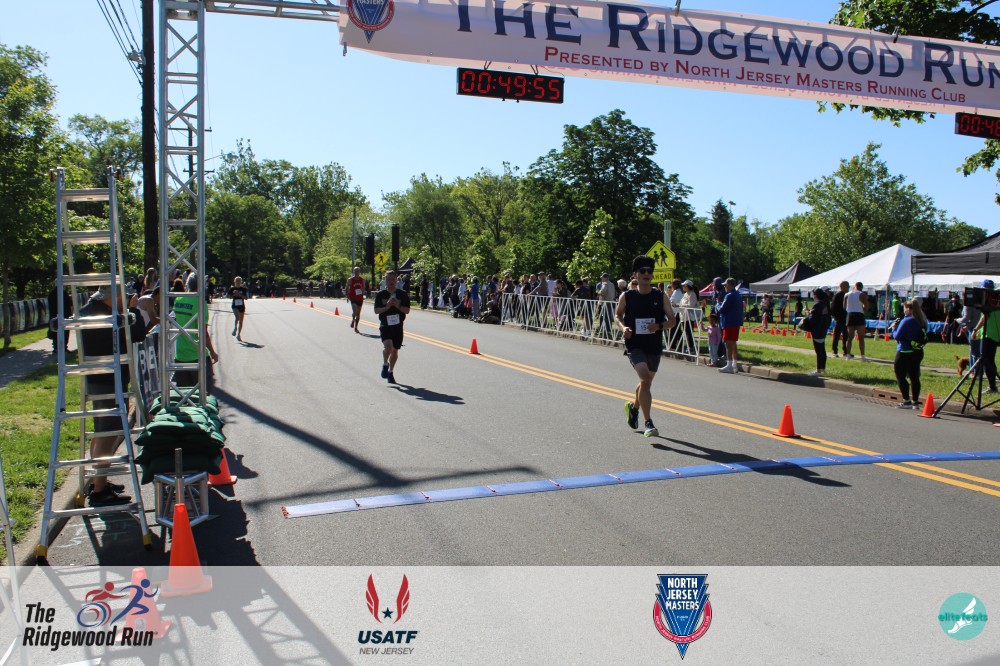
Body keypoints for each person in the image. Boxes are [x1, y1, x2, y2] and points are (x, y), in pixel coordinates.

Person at [78, 286, 147, 506]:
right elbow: (138, 333)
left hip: (97, 379)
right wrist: (133, 311)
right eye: (124, 296)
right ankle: (99, 491)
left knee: (101, 432)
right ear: (114, 296)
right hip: (109, 380)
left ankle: (98, 481)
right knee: (107, 435)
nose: (127, 299)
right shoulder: (109, 317)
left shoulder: (88, 310)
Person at [617, 255, 677, 438]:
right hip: (635, 344)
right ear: (635, 274)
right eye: (642, 271)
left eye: (649, 271)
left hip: (653, 345)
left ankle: (633, 407)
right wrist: (623, 327)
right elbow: (618, 315)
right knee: (644, 377)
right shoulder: (627, 296)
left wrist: (659, 326)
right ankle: (648, 423)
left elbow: (673, 321)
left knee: (646, 383)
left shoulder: (660, 296)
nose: (646, 274)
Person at [173, 273, 220, 391]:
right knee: (204, 395)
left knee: (184, 395)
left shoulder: (178, 299)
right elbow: (202, 333)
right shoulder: (200, 303)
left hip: (180, 354)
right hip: (197, 355)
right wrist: (212, 352)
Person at [374, 270, 411, 384]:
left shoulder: (402, 294)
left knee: (395, 350)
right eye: (389, 279)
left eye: (393, 279)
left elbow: (407, 310)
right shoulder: (381, 294)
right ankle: (385, 364)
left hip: (398, 326)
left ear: (396, 280)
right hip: (385, 325)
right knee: (388, 347)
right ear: (385, 281)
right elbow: (376, 310)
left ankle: (390, 372)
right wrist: (387, 306)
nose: (391, 282)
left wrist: (398, 305)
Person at [891, 297, 929, 408]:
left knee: (900, 375)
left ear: (908, 308)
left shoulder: (906, 320)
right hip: (917, 351)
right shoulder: (921, 320)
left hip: (904, 350)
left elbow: (897, 336)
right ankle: (915, 402)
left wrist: (894, 329)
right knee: (914, 377)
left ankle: (906, 400)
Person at [971, 279, 999, 394]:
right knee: (989, 360)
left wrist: (975, 329)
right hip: (995, 334)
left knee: (987, 360)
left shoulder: (988, 301)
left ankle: (992, 386)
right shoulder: (996, 299)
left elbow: (984, 318)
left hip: (988, 334)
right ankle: (992, 385)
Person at [715, 278, 744, 374]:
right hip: (736, 322)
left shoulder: (729, 295)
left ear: (729, 285)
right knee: (733, 343)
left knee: (728, 343)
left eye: (725, 285)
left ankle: (729, 365)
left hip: (729, 322)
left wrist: (717, 305)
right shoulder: (738, 295)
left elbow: (722, 309)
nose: (724, 287)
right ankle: (734, 364)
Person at [805, 288, 832, 377]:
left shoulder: (817, 305)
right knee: (822, 350)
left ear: (816, 296)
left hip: (817, 329)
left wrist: (808, 313)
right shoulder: (824, 304)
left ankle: (819, 370)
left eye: (813, 295)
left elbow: (812, 319)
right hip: (823, 329)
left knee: (819, 351)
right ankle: (822, 369)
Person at [843, 282, 869, 361]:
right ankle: (863, 356)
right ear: (861, 287)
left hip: (850, 315)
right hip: (859, 315)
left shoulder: (847, 294)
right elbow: (866, 307)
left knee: (849, 337)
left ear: (854, 286)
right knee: (861, 337)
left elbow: (844, 307)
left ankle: (847, 355)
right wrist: (862, 308)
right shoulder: (862, 294)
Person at [830, 281, 849, 357]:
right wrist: (835, 317)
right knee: (837, 334)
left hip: (845, 317)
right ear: (843, 286)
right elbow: (833, 307)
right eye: (847, 286)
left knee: (846, 335)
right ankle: (834, 350)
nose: (848, 288)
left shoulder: (846, 295)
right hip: (839, 318)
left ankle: (845, 350)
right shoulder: (838, 295)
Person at [229, 276, 250, 341]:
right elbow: (229, 296)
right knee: (237, 317)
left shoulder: (244, 289)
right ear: (234, 281)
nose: (238, 282)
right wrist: (234, 294)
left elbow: (246, 298)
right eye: (237, 281)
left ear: (241, 282)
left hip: (241, 305)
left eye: (239, 281)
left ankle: (238, 334)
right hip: (235, 305)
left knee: (241, 321)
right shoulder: (232, 288)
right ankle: (235, 328)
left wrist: (239, 294)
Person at [346, 267, 367, 333]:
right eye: (355, 271)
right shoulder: (350, 279)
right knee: (355, 311)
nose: (356, 272)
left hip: (360, 298)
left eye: (358, 271)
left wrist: (363, 290)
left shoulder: (362, 279)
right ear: (354, 272)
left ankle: (356, 327)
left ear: (359, 272)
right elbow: (347, 288)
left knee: (358, 313)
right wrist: (347, 296)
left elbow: (364, 288)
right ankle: (353, 320)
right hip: (353, 298)